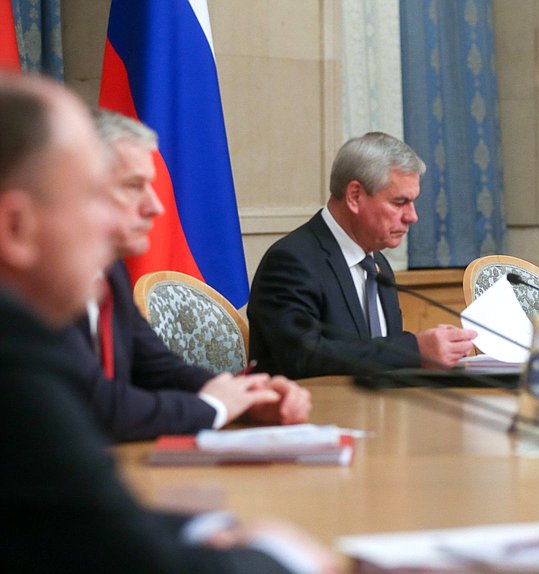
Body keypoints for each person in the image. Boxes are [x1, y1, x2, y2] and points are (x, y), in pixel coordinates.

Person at [0, 74, 336, 573]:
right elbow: (123, 554)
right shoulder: (15, 350)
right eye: (97, 196)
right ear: (15, 227)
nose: (142, 213)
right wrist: (282, 556)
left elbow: (76, 517)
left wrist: (243, 402)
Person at [62, 110, 311, 442]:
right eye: (133, 186)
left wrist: (247, 397)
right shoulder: (29, 284)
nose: (155, 206)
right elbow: (96, 406)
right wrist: (213, 408)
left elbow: (156, 367)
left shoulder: (108, 270)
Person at [248, 132, 476, 379]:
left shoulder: (378, 264)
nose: (412, 216)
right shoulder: (292, 261)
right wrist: (414, 350)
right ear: (355, 196)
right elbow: (302, 358)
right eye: (400, 203)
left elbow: (378, 359)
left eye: (413, 202)